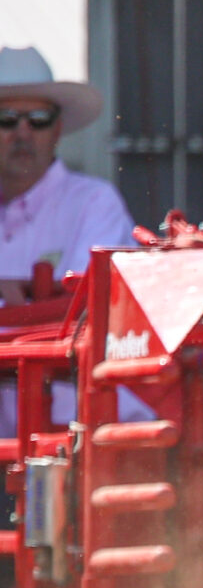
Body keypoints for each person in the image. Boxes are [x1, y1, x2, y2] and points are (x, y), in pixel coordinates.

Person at [0, 48, 135, 444]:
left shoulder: (94, 202)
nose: (24, 133)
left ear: (57, 130)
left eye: (39, 120)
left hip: (80, 438)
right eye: (6, 119)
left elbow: (75, 313)